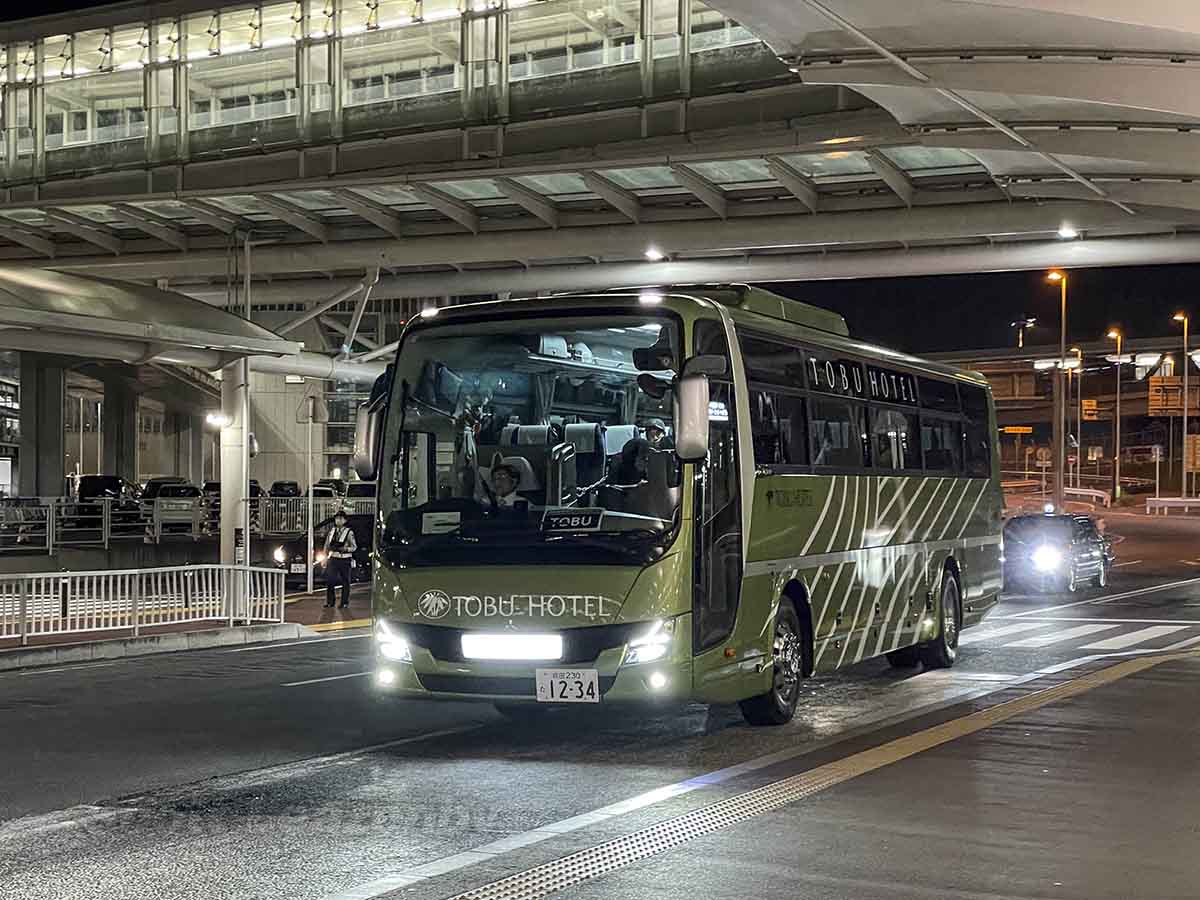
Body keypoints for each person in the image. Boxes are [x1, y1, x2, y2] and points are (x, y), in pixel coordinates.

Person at [323, 510, 357, 609]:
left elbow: (354, 547)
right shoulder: (331, 531)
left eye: (341, 518)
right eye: (337, 518)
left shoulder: (349, 532)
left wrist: (345, 549)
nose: (338, 520)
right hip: (333, 558)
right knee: (330, 580)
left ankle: (344, 602)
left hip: (344, 559)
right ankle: (330, 602)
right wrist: (325, 556)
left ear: (345, 520)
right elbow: (326, 545)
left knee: (345, 581)